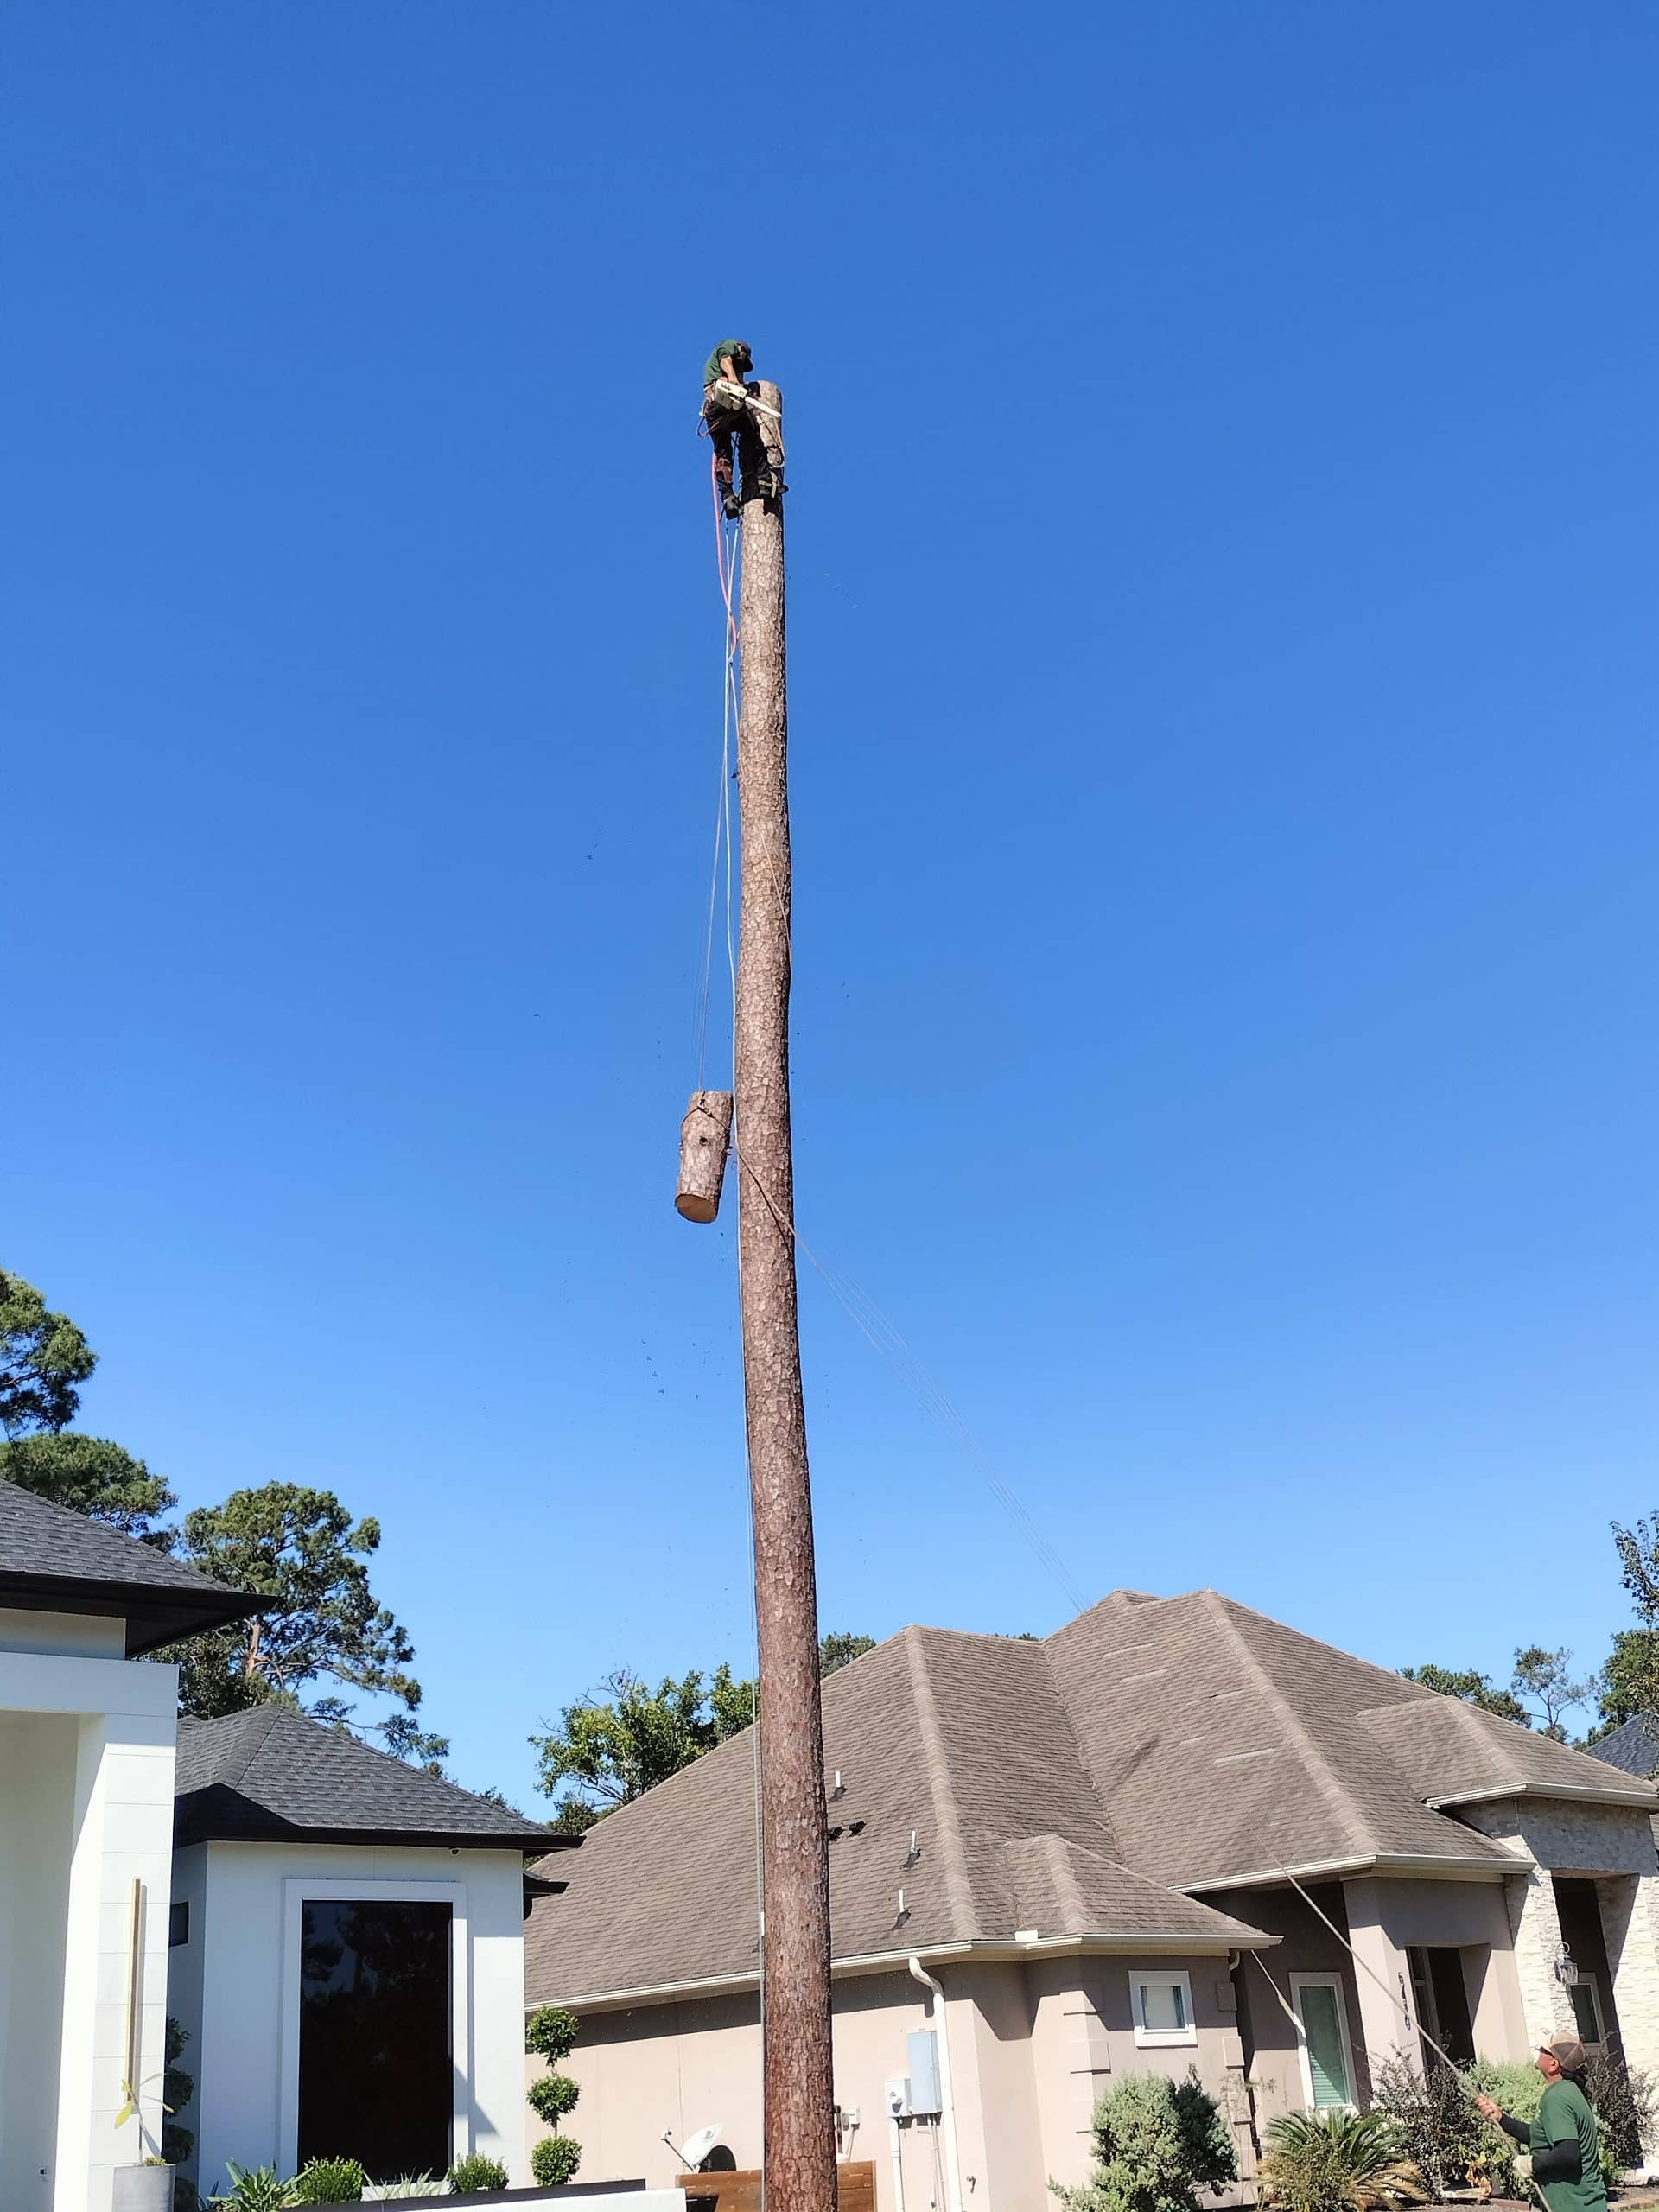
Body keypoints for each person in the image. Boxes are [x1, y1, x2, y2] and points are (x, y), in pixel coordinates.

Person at [1476, 2037, 1606, 2212]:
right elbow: (1539, 2137)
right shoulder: (1569, 2091)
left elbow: (1569, 2154)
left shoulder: (1557, 2097)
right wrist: (1501, 2118)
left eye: (1544, 2050)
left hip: (1573, 2206)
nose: (1539, 2051)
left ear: (1553, 2064)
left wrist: (1532, 2164)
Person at [702, 340, 785, 518]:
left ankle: (728, 497)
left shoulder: (726, 371)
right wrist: (733, 379)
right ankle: (763, 480)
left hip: (714, 413)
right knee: (753, 434)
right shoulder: (729, 346)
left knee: (723, 455)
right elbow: (725, 358)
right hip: (721, 400)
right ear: (741, 351)